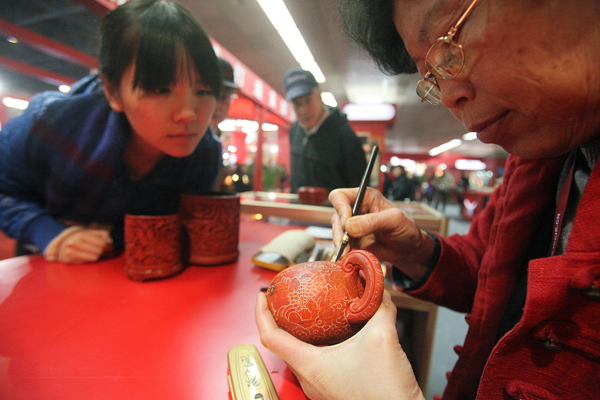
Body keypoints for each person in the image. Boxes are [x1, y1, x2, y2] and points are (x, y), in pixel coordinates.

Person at [256, 0, 600, 399]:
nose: (451, 95)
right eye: (432, 78)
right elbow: (490, 278)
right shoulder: (537, 164)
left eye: (450, 42)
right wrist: (416, 251)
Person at [0, 0, 223, 264]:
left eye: (203, 90)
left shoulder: (206, 153)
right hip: (48, 274)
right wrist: (50, 233)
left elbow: (188, 227)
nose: (189, 113)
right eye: (160, 90)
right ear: (112, 91)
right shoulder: (49, 123)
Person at [283, 68, 367, 193]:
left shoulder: (344, 134)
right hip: (299, 210)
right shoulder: (294, 130)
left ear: (319, 96)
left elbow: (357, 187)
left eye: (308, 100)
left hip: (332, 211)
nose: (304, 110)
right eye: (297, 103)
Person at [210, 57, 240, 191]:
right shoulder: (183, 138)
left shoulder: (214, 139)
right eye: (211, 94)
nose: (217, 105)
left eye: (224, 97)